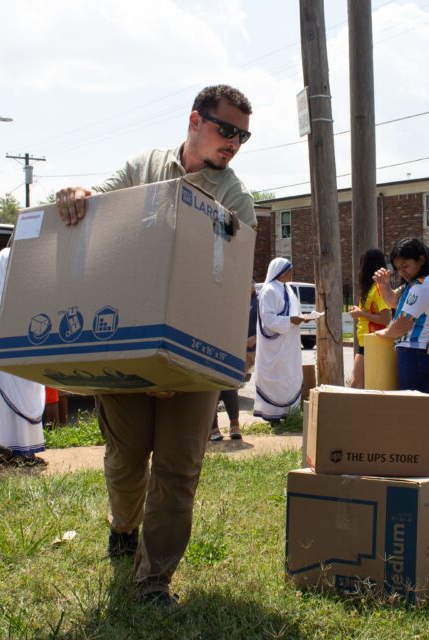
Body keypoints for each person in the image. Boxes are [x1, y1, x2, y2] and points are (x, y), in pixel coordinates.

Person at [55, 84, 256, 608]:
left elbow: (227, 277)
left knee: (177, 468)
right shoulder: (144, 165)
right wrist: (78, 195)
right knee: (126, 459)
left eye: (243, 135)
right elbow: (98, 208)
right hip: (124, 344)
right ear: (195, 119)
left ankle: (154, 580)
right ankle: (123, 525)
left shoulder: (235, 198)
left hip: (193, 361)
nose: (234, 143)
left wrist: (182, 366)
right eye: (226, 129)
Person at [0, 247, 47, 466]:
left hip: (0, 364)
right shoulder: (16, 294)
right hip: (18, 360)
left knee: (5, 408)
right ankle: (22, 454)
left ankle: (4, 450)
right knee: (20, 402)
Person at [373, 238, 429, 393]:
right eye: (398, 268)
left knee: (411, 407)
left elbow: (403, 324)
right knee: (418, 406)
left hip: (416, 352)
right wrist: (383, 285)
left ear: (421, 260)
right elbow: (393, 301)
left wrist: (385, 333)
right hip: (427, 352)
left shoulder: (422, 286)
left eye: (406, 266)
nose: (402, 272)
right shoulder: (420, 282)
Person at [253, 257, 303, 422]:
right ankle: (272, 415)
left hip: (289, 345)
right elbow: (268, 319)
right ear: (279, 272)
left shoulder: (288, 289)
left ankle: (290, 413)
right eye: (288, 270)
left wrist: (302, 318)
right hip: (273, 347)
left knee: (289, 374)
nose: (290, 274)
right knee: (275, 377)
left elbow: (295, 311)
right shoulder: (269, 290)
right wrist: (290, 320)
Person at [210, 284, 257, 441]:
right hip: (210, 346)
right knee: (211, 386)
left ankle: (233, 425)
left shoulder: (235, 302)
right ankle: (213, 427)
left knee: (227, 385)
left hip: (228, 348)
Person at [349, 248, 392, 388]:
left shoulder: (378, 288)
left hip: (374, 342)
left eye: (362, 264)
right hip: (366, 342)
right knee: (359, 385)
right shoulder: (371, 288)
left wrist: (361, 314)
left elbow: (386, 318)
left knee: (358, 385)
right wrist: (360, 312)